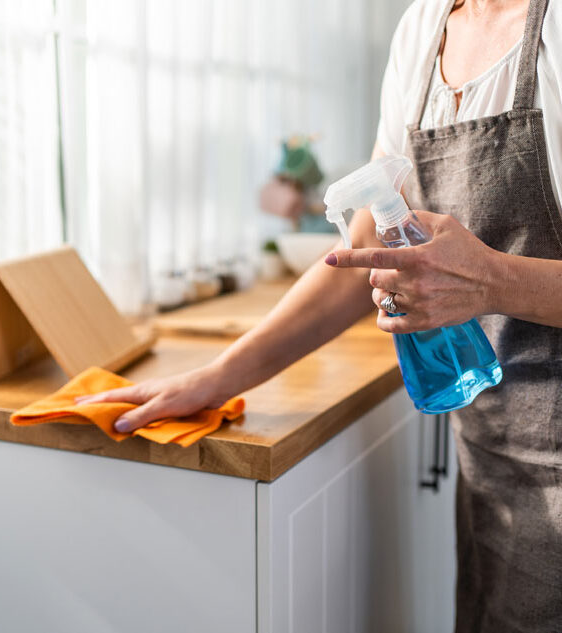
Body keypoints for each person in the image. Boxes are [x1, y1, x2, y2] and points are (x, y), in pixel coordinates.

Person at [79, 0, 562, 630]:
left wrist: (493, 279)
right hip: (493, 456)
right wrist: (216, 378)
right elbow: (363, 250)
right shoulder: (423, 30)